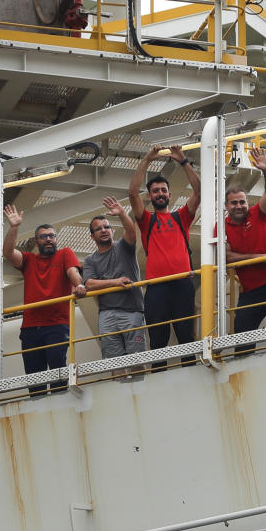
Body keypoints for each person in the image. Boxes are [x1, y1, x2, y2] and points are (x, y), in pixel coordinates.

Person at [128, 144, 200, 369]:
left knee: (186, 335)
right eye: (155, 191)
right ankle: (159, 375)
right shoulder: (147, 220)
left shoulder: (181, 217)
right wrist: (146, 160)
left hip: (183, 285)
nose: (160, 194)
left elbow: (199, 192)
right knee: (158, 338)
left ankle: (190, 372)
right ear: (150, 196)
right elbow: (132, 193)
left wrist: (183, 160)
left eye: (163, 190)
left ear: (169, 194)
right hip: (157, 288)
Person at [3, 204, 85, 394]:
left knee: (58, 371)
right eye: (43, 236)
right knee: (34, 377)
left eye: (51, 236)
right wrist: (14, 227)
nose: (48, 239)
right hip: (31, 327)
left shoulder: (65, 253)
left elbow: (72, 271)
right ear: (36, 241)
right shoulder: (29, 260)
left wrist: (79, 285)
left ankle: (60, 404)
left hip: (57, 324)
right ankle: (37, 407)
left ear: (56, 239)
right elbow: (8, 252)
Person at [222, 148, 266, 353]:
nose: (239, 206)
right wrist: (259, 258)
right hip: (250, 290)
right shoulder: (221, 226)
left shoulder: (257, 214)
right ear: (226, 206)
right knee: (242, 334)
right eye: (234, 203)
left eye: (242, 202)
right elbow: (227, 257)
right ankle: (241, 371)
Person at [82, 196, 146, 376]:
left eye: (107, 227)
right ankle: (121, 393)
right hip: (106, 314)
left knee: (137, 359)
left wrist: (122, 213)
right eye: (98, 229)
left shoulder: (123, 247)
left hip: (132, 311)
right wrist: (115, 282)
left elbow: (131, 231)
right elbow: (89, 283)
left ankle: (139, 393)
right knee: (114, 362)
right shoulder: (90, 260)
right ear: (92, 236)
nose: (103, 230)